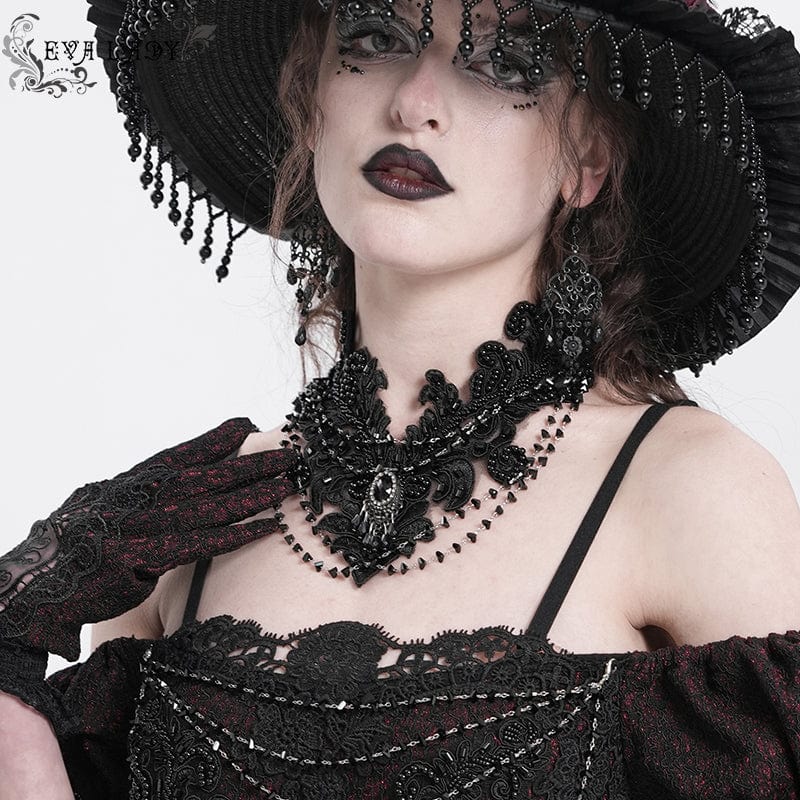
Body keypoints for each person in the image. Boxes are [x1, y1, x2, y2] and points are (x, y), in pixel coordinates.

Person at [1, 0, 800, 797]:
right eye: (374, 37)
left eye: (505, 63)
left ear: (586, 161)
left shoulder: (687, 485)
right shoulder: (187, 519)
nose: (415, 104)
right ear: (310, 99)